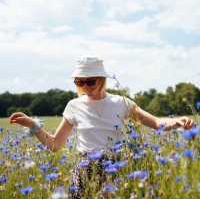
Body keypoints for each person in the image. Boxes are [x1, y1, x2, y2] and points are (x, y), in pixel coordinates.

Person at [9, 57, 194, 198]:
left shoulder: (121, 102)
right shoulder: (74, 105)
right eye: (80, 82)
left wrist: (176, 122)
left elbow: (155, 123)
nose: (85, 86)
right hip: (84, 171)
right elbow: (55, 144)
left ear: (102, 79)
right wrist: (33, 125)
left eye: (90, 81)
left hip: (117, 169)